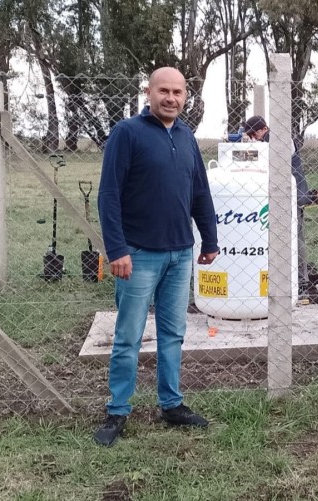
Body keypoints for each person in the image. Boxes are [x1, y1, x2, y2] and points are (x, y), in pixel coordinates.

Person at [93, 67, 220, 447]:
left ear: (185, 96)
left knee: (173, 334)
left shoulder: (186, 136)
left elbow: (200, 191)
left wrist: (209, 240)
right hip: (139, 255)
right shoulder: (127, 133)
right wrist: (117, 249)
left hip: (180, 254)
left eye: (178, 92)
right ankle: (118, 410)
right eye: (163, 90)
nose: (171, 98)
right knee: (128, 336)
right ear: (148, 92)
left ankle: (171, 404)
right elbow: (109, 195)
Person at [242, 115, 311, 290]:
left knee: (295, 236)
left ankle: (300, 279)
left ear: (261, 130)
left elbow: (271, 160)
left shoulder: (276, 138)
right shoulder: (272, 138)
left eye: (253, 134)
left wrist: (253, 147)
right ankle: (290, 275)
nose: (253, 138)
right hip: (284, 195)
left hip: (292, 195)